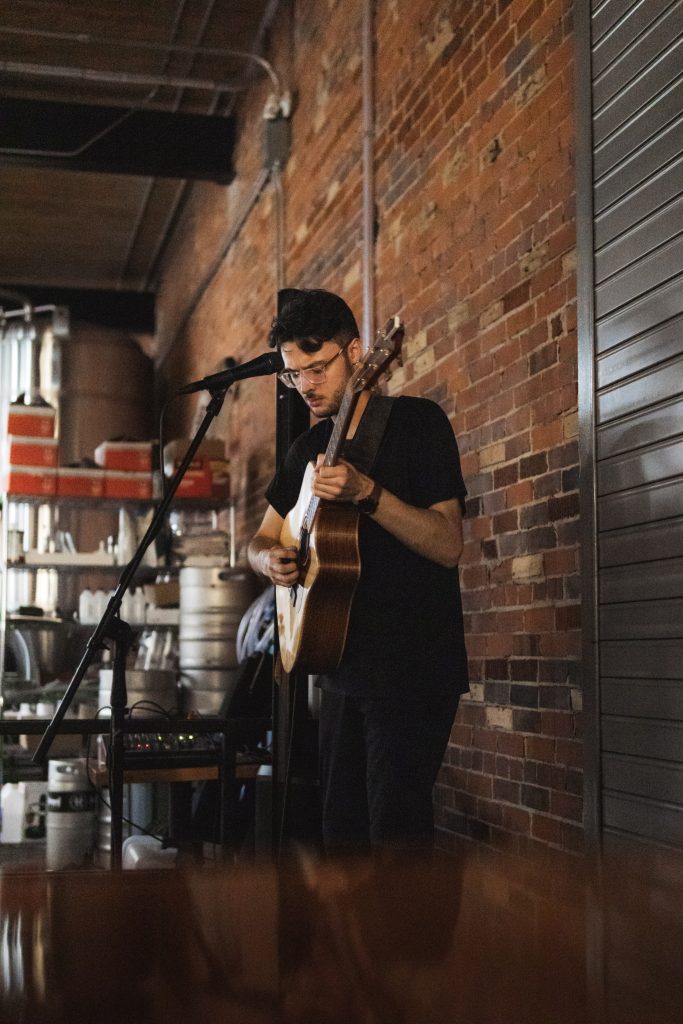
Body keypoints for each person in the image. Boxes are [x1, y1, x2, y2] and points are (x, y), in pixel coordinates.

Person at [248, 288, 469, 853]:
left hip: (413, 669)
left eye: (317, 368)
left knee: (396, 841)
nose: (307, 387)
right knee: (340, 840)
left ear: (357, 352)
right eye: (295, 375)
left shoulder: (418, 424)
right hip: (339, 666)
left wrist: (368, 492)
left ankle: (406, 946)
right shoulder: (307, 449)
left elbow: (448, 544)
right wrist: (269, 561)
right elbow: (259, 539)